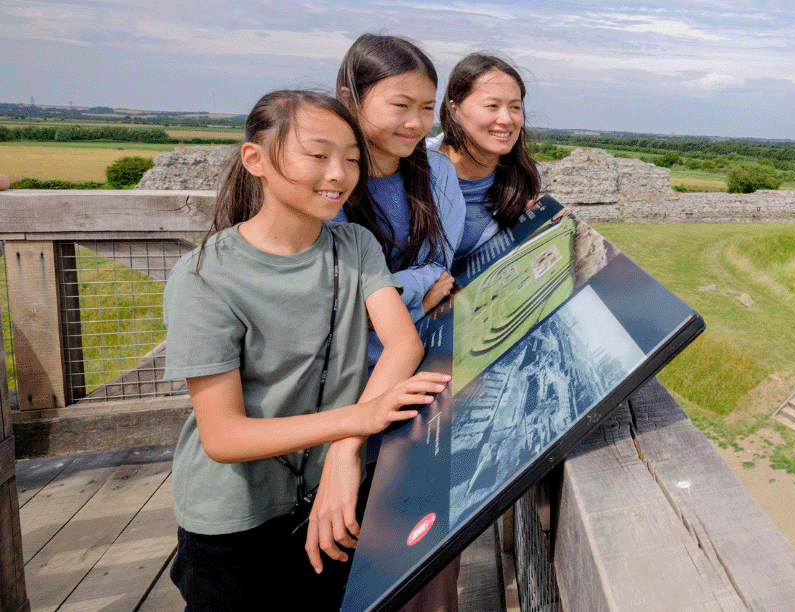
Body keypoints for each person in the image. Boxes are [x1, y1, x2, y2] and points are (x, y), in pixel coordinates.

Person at [161, 89, 450, 611]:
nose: (338, 174)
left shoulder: (355, 246)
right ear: (255, 159)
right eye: (317, 156)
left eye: (352, 159)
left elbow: (402, 342)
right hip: (236, 517)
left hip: (330, 498)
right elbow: (223, 435)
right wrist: (360, 420)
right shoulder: (206, 276)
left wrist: (345, 453)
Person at [334, 33, 465, 338]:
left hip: (420, 351)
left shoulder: (439, 173)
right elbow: (337, 303)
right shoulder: (327, 180)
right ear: (349, 101)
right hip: (345, 368)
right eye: (401, 105)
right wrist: (417, 302)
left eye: (426, 108)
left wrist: (383, 301)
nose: (416, 123)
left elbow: (438, 268)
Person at [431, 53, 543, 269]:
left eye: (515, 107)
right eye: (492, 106)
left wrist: (521, 233)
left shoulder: (525, 178)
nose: (506, 119)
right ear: (455, 111)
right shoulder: (414, 167)